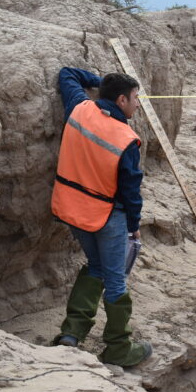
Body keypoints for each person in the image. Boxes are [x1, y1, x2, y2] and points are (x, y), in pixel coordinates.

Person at [50, 67, 153, 366]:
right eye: (134, 97)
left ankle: (71, 334)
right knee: (116, 279)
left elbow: (68, 74)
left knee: (95, 266)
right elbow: (131, 193)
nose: (137, 103)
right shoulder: (125, 138)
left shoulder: (79, 109)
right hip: (107, 216)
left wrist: (102, 85)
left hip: (70, 208)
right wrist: (133, 227)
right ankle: (120, 348)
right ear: (121, 100)